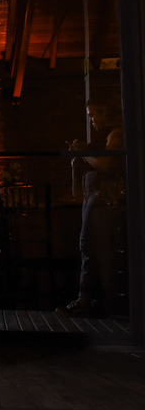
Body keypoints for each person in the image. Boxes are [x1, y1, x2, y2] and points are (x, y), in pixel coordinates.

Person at [56, 96, 126, 317]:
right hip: (97, 202)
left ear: (105, 113)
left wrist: (84, 153)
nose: (92, 121)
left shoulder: (117, 134)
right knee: (90, 248)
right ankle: (92, 299)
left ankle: (92, 300)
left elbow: (108, 163)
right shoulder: (109, 136)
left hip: (104, 203)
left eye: (93, 115)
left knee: (92, 248)